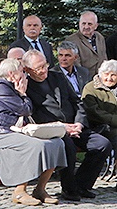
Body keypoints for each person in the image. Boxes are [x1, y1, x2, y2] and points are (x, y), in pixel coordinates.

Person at [23, 49, 111, 200]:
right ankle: (69, 189)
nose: (44, 70)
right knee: (67, 146)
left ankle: (82, 185)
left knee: (102, 144)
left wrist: (79, 123)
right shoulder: (27, 86)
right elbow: (35, 115)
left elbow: (76, 102)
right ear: (27, 69)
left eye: (45, 65)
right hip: (53, 130)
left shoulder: (57, 77)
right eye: (39, 68)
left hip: (74, 126)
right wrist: (62, 128)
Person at [0, 58, 66, 205]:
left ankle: (40, 189)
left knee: (56, 142)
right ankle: (19, 192)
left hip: (14, 131)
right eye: (21, 71)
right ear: (11, 74)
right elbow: (25, 109)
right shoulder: (1, 87)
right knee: (36, 146)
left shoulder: (11, 86)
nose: (25, 75)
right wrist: (23, 94)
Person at [82, 60, 117, 159]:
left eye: (113, 75)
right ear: (100, 74)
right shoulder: (90, 89)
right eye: (106, 74)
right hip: (100, 126)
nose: (109, 78)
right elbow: (94, 112)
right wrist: (114, 120)